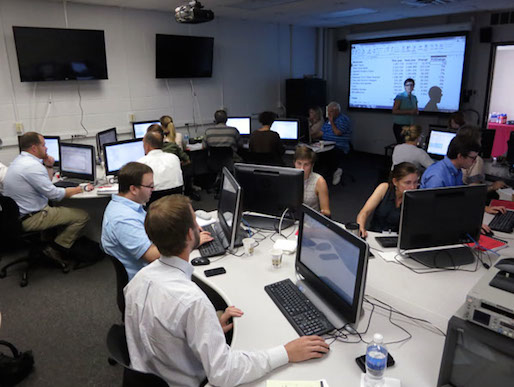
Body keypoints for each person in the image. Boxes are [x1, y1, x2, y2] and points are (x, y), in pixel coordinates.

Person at [124, 194, 330, 386]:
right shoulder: (192, 301)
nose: (198, 226)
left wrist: (205, 327)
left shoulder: (138, 280)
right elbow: (222, 374)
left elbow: (156, 331)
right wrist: (286, 352)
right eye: (195, 222)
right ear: (190, 234)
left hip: (154, 373)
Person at [101, 162, 212, 280]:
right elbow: (152, 255)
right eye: (150, 186)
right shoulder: (122, 219)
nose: (152, 190)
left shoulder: (128, 206)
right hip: (148, 278)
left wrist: (186, 228)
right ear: (133, 189)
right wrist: (193, 241)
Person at [3, 132, 90, 262]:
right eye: (43, 145)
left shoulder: (19, 161)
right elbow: (54, 195)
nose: (46, 148)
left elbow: (46, 186)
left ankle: (50, 242)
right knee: (82, 216)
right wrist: (81, 188)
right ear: (34, 148)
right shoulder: (32, 166)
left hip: (17, 217)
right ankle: (55, 248)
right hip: (33, 217)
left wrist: (48, 165)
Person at [420, 135, 505, 221]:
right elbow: (436, 213)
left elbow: (458, 200)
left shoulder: (457, 170)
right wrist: (469, 222)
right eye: (473, 158)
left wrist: (483, 208)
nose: (475, 161)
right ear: (460, 156)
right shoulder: (437, 177)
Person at [357, 162, 419, 238]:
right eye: (407, 183)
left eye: (415, 182)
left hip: (395, 239)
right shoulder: (384, 188)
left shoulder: (415, 197)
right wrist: (360, 228)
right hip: (374, 234)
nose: (412, 187)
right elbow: (364, 212)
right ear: (395, 182)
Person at [137, 131, 184, 203]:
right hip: (177, 202)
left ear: (147, 145)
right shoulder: (174, 158)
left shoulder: (141, 163)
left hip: (154, 205)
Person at [320, 101, 352, 186]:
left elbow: (337, 132)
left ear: (337, 111)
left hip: (339, 146)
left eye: (331, 111)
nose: (329, 113)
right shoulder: (327, 122)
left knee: (330, 153)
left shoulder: (344, 119)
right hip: (326, 143)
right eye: (328, 111)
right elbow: (322, 132)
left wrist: (332, 121)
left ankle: (336, 170)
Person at [294, 146, 330, 217]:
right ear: (294, 163)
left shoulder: (319, 181)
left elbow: (327, 211)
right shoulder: (288, 177)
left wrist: (322, 214)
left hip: (310, 220)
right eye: (299, 163)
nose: (302, 168)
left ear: (312, 165)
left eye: (306, 165)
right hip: (290, 218)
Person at [392, 78, 418, 143]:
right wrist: (409, 112)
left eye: (411, 85)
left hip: (410, 125)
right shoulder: (400, 96)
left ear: (413, 87)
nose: (409, 87)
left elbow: (416, 109)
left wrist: (416, 112)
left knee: (409, 144)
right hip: (400, 126)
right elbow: (394, 111)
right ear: (404, 86)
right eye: (407, 85)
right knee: (401, 144)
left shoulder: (414, 97)